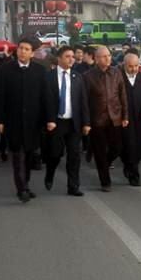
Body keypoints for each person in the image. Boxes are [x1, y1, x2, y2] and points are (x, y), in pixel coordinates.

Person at [0, 39, 46, 203]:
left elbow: (45, 97)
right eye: (20, 48)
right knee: (18, 156)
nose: (23, 51)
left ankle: (26, 185)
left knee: (30, 155)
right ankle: (21, 188)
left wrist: (47, 119)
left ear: (32, 53)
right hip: (13, 121)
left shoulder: (39, 70)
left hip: (33, 121)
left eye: (26, 49)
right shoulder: (6, 69)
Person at [42, 46, 90, 196]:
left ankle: (73, 186)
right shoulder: (48, 77)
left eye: (72, 56)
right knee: (55, 154)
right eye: (68, 56)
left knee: (74, 155)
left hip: (73, 122)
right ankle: (50, 173)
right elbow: (45, 101)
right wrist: (49, 119)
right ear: (59, 58)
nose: (71, 59)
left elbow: (83, 101)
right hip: (56, 122)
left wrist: (86, 122)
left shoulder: (77, 77)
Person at [83, 46, 129, 191]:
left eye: (109, 55)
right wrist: (86, 121)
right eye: (103, 56)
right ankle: (105, 181)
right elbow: (84, 100)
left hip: (115, 116)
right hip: (97, 119)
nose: (107, 58)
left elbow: (123, 96)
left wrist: (125, 115)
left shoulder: (116, 73)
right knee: (100, 151)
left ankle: (104, 162)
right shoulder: (88, 76)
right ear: (96, 59)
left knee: (117, 147)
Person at [121, 51, 141, 187]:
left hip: (140, 119)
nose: (133, 69)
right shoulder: (118, 78)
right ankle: (132, 171)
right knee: (127, 146)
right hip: (125, 119)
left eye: (136, 66)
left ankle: (132, 169)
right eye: (130, 66)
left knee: (138, 147)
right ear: (124, 65)